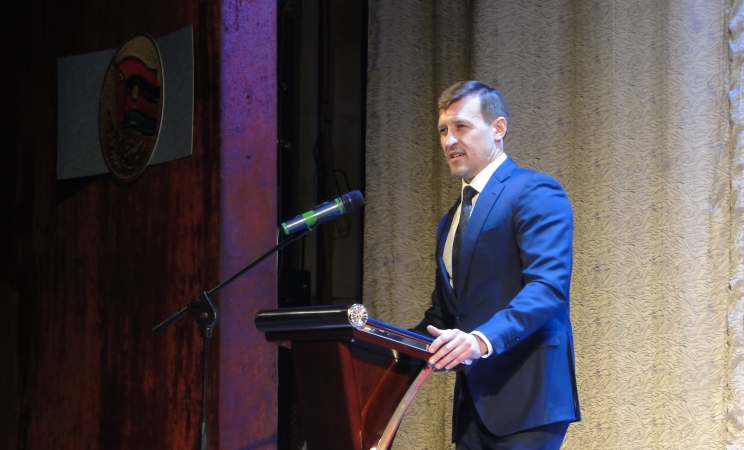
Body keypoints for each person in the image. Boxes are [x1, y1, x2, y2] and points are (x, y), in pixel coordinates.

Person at [412, 80, 581, 449]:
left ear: (498, 128)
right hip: (473, 405)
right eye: (443, 130)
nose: (449, 141)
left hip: (529, 399)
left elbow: (547, 288)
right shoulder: (451, 219)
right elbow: (444, 313)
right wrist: (379, 346)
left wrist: (480, 340)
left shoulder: (534, 191)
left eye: (461, 126)